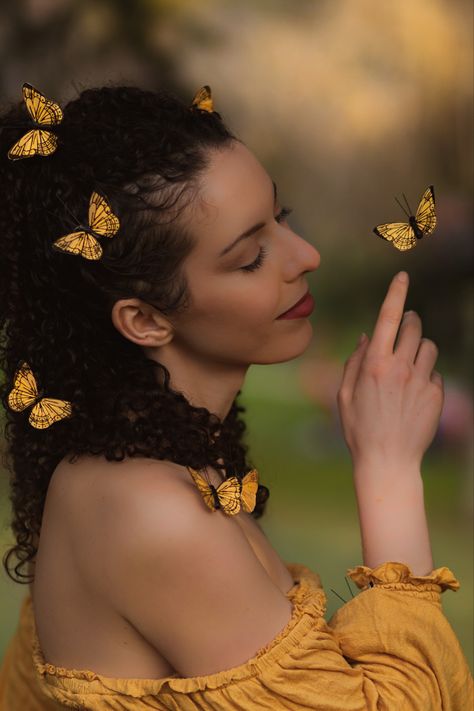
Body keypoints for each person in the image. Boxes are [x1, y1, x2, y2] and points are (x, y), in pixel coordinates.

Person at [0, 83, 472, 710]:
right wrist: (388, 468)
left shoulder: (154, 468)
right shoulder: (148, 510)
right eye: (251, 257)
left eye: (283, 218)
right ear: (144, 320)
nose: (306, 256)